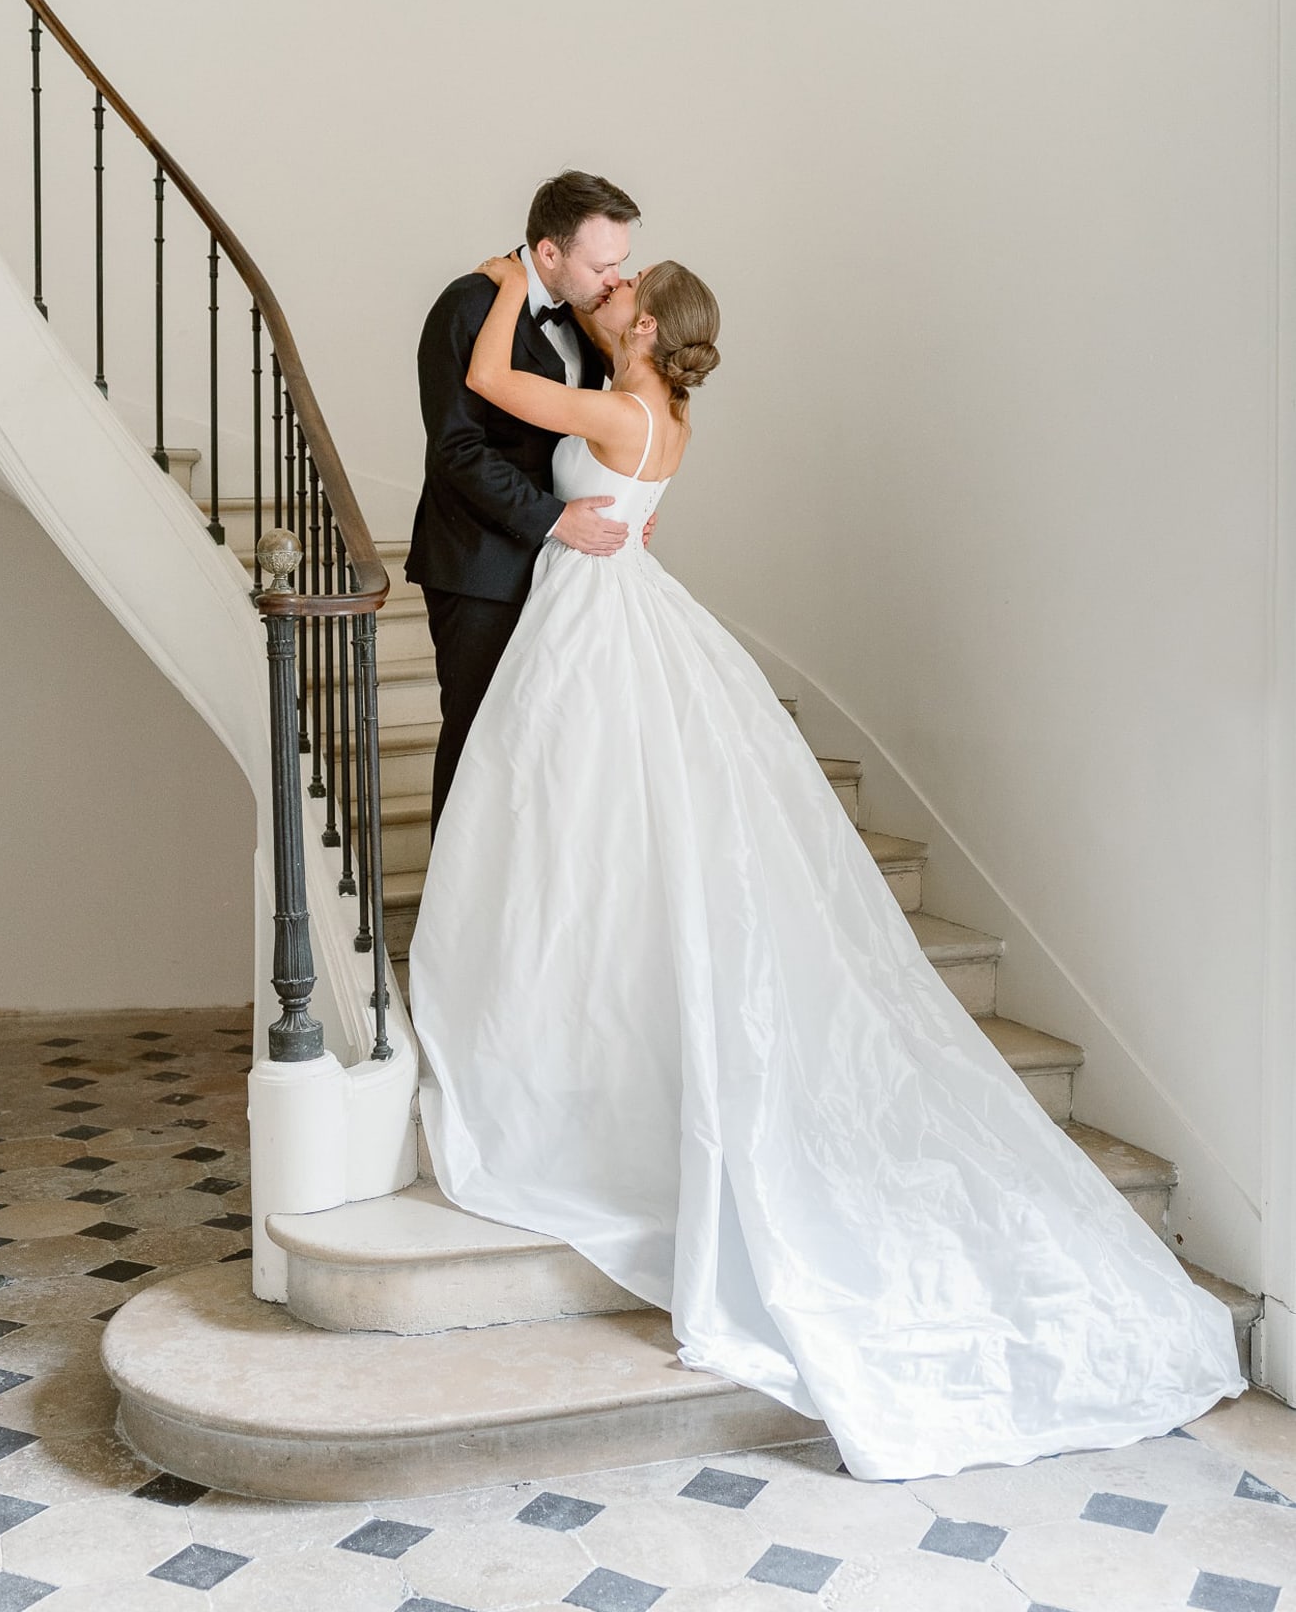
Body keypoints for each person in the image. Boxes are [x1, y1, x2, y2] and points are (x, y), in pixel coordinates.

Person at [408, 252, 1244, 1484]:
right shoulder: (656, 407)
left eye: (627, 294)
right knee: (583, 829)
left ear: (648, 327)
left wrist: (505, 273)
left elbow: (484, 379)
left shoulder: (615, 403)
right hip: (606, 602)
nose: (612, 294)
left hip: (596, 613)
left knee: (579, 830)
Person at [406, 170, 641, 834]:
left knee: (542, 741)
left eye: (619, 263)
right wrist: (555, 518)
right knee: (478, 736)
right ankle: (449, 918)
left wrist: (623, 506)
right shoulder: (468, 306)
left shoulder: (587, 318)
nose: (615, 279)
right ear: (547, 252)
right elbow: (456, 448)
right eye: (602, 264)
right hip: (480, 564)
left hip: (566, 573)